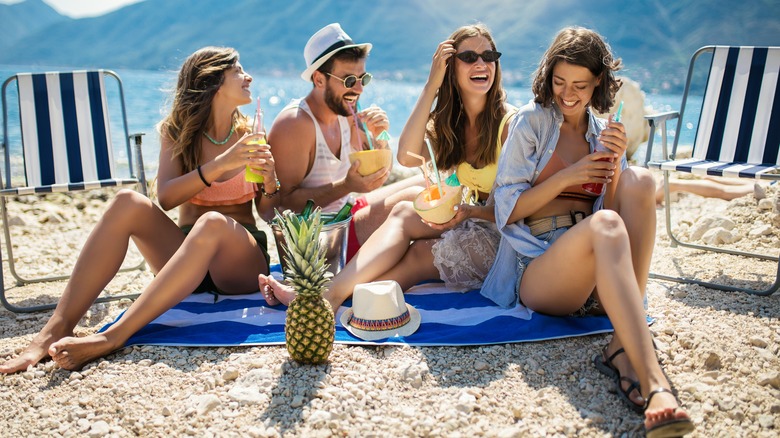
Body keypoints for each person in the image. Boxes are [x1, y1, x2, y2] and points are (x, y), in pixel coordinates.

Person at [0, 47, 280, 373]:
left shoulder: (252, 134)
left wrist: (271, 183)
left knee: (213, 222)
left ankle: (113, 337)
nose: (249, 77)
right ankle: (57, 326)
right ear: (214, 81)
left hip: (239, 263)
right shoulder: (177, 132)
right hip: (183, 260)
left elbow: (268, 212)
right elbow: (166, 198)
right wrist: (222, 164)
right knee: (126, 202)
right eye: (239, 71)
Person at [481, 27, 694, 437]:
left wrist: (613, 165)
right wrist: (570, 176)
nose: (568, 93)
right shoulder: (531, 123)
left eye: (580, 84)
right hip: (540, 268)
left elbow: (611, 216)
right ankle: (655, 385)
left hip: (595, 271)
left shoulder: (600, 130)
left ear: (598, 81)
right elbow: (505, 211)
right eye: (559, 82)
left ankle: (619, 341)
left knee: (642, 181)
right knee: (607, 224)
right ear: (548, 77)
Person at [261, 23, 516, 312]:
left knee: (419, 243)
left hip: (502, 232)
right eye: (469, 57)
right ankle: (328, 297)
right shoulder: (453, 124)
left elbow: (518, 210)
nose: (482, 63)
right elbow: (407, 156)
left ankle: (325, 298)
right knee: (409, 214)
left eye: (490, 56)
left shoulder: (509, 125)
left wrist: (377, 141)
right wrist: (431, 85)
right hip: (326, 232)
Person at [269, 23, 423, 262]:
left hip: (347, 213)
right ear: (319, 79)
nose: (359, 89)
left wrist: (380, 135)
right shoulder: (295, 124)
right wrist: (345, 186)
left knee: (427, 181)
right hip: (317, 240)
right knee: (414, 196)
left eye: (364, 78)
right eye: (350, 80)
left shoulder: (347, 109)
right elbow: (282, 205)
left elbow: (377, 174)